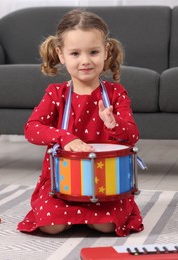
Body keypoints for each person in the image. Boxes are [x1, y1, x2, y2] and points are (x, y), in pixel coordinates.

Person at [17, 9, 143, 237]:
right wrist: (65, 138)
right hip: (62, 185)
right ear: (61, 55)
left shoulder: (116, 94)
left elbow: (132, 135)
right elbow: (31, 129)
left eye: (93, 52)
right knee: (51, 226)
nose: (85, 61)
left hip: (105, 185)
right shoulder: (56, 93)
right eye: (75, 53)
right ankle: (73, 215)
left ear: (106, 52)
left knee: (107, 226)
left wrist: (114, 124)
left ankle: (85, 217)